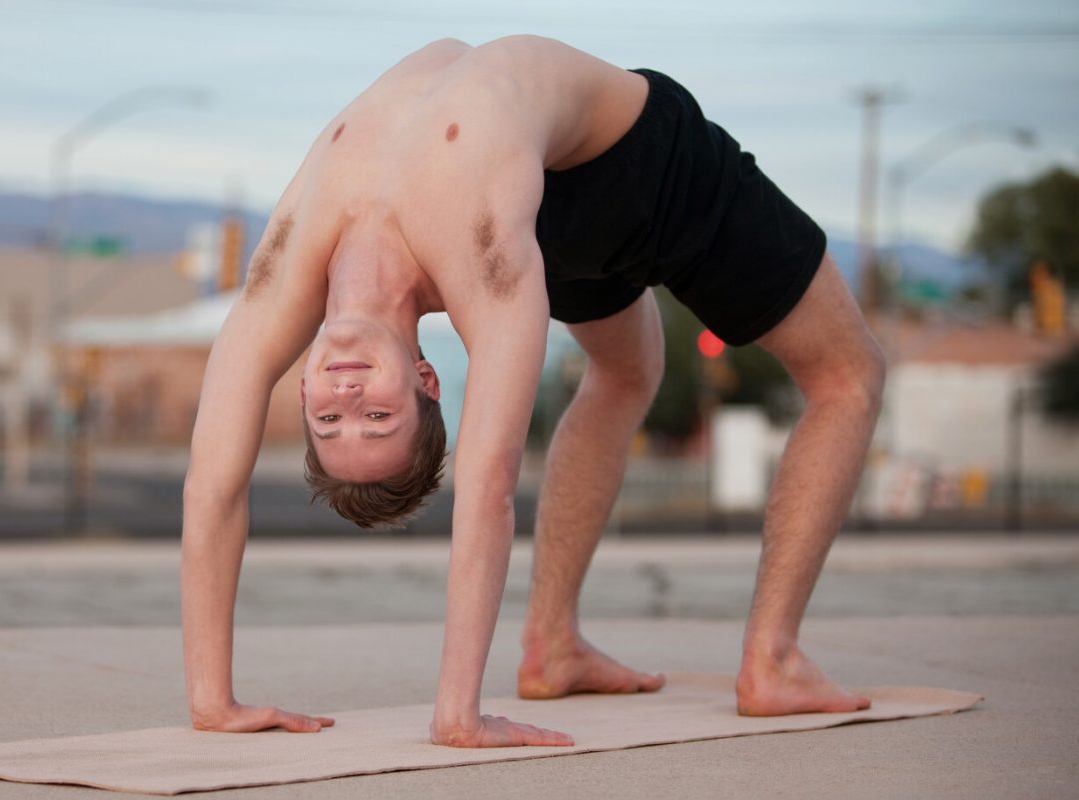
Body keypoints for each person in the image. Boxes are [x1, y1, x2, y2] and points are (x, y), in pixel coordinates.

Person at [181, 35, 885, 749]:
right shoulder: (485, 260)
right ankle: (773, 662)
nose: (349, 397)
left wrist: (213, 701)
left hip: (549, 177)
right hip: (637, 168)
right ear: (426, 382)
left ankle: (553, 645)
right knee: (850, 375)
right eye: (379, 417)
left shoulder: (285, 267)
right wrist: (457, 715)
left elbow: (210, 484)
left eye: (331, 420)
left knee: (626, 371)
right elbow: (488, 484)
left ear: (301, 388)